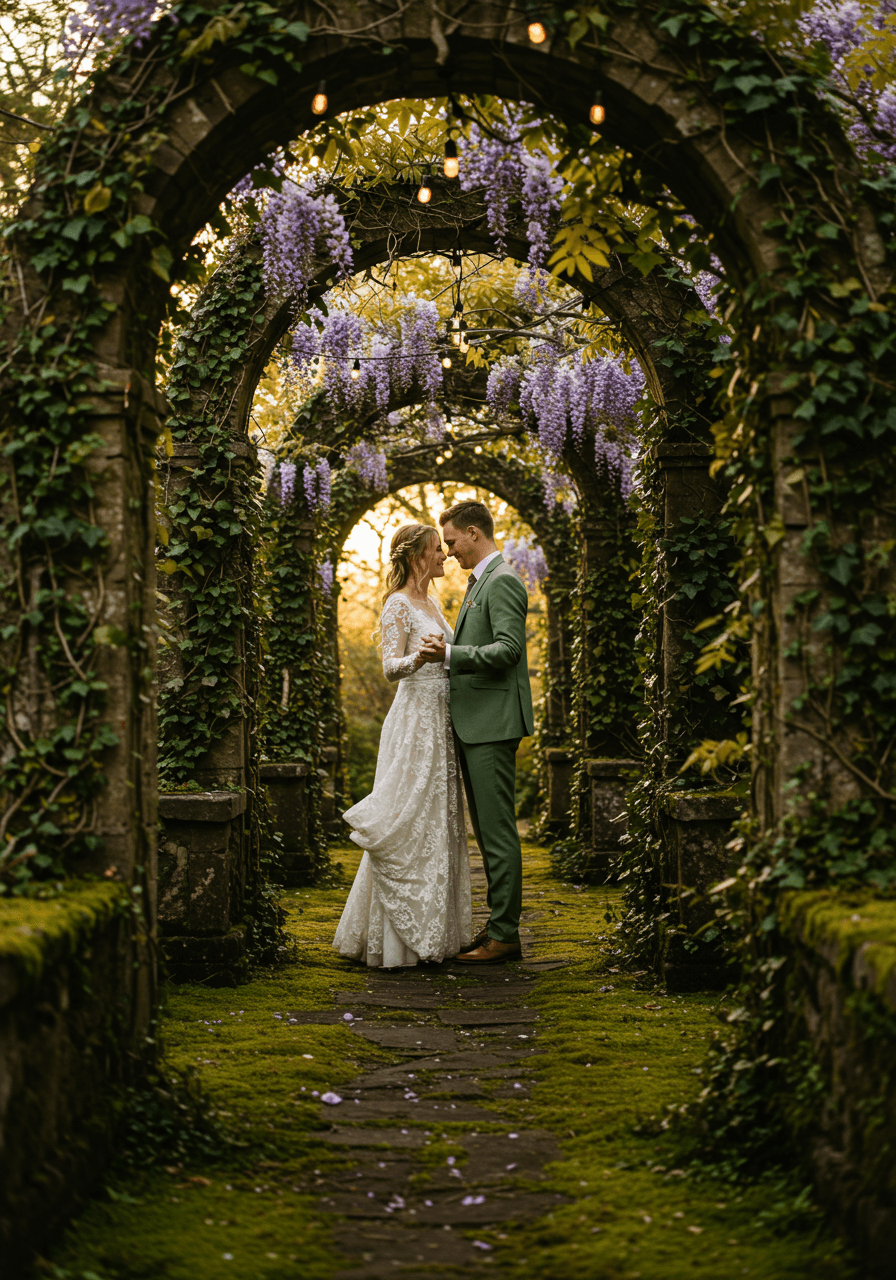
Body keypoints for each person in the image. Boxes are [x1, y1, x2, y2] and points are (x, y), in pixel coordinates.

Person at [333, 523, 472, 968]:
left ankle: (435, 929)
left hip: (440, 721)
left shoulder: (432, 601)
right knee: (408, 817)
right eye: (437, 549)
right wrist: (422, 657)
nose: (444, 556)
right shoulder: (397, 603)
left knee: (436, 820)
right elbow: (390, 667)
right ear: (417, 557)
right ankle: (397, 938)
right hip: (413, 722)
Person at [417, 500, 534, 964]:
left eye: (451, 542)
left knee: (498, 832)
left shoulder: (502, 581)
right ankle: (499, 926)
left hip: (492, 723)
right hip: (477, 721)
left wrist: (449, 655)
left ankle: (505, 935)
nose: (448, 552)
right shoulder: (481, 580)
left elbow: (508, 650)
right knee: (488, 832)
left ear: (472, 532)